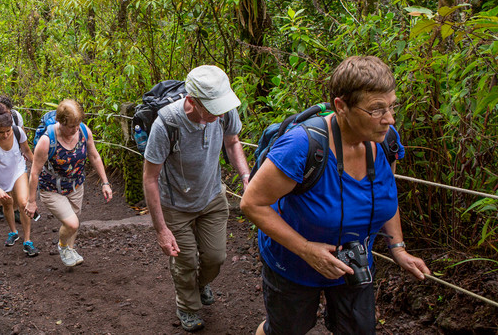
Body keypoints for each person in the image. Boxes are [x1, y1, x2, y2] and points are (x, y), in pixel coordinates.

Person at [240, 56, 429, 335]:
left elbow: (386, 195)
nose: (389, 118)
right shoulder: (303, 146)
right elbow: (251, 204)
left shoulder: (386, 139)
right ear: (341, 106)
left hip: (353, 263)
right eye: (376, 109)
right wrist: (307, 250)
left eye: (392, 106)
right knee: (286, 330)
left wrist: (397, 248)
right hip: (293, 264)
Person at [142, 65, 250, 333]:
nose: (221, 112)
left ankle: (201, 285)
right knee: (185, 260)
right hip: (175, 204)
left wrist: (246, 175)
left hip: (212, 195)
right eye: (213, 107)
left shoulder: (223, 111)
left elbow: (233, 141)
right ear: (192, 101)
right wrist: (161, 229)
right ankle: (188, 306)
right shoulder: (166, 124)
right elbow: (150, 178)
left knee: (216, 256)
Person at [25, 99, 112, 267]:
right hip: (51, 189)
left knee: (73, 223)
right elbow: (34, 172)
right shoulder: (46, 140)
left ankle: (69, 252)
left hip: (76, 186)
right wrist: (31, 201)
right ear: (60, 122)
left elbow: (94, 156)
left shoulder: (84, 131)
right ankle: (63, 246)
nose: (75, 129)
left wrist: (105, 182)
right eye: (71, 126)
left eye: (77, 124)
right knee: (72, 223)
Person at [0, 102, 39, 257]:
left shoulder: (17, 132)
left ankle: (27, 241)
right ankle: (13, 232)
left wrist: (40, 169)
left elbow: (28, 152)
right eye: (1, 132)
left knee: (23, 202)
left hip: (18, 170)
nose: (5, 135)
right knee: (8, 204)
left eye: (8, 131)